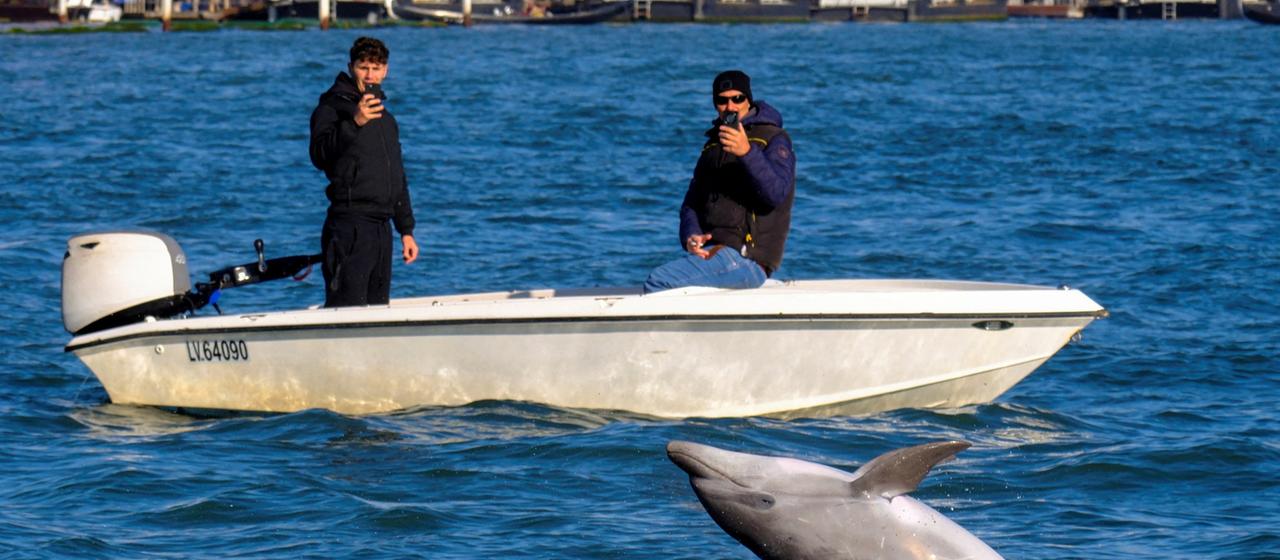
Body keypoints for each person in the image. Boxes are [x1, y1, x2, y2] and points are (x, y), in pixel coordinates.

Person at [643, 70, 796, 294]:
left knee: (659, 281)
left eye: (737, 99)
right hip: (715, 252)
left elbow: (776, 193)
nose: (730, 107)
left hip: (748, 259)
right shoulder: (714, 144)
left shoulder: (773, 138)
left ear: (748, 100)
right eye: (722, 101)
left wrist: (746, 152)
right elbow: (692, 203)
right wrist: (691, 235)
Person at [309, 36, 419, 308]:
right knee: (347, 309)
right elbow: (319, 156)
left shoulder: (386, 119)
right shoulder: (331, 107)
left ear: (385, 71)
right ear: (351, 67)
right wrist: (354, 123)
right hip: (350, 225)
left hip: (382, 229)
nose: (370, 75)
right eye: (363, 67)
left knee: (378, 310)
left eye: (376, 68)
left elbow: (396, 175)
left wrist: (405, 230)